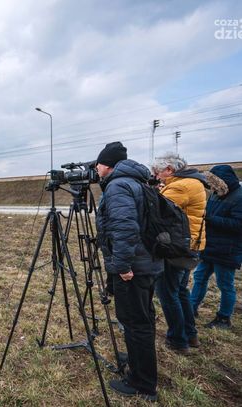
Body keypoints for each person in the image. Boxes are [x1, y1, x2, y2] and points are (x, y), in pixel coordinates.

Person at [95, 141, 162, 402]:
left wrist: (122, 266)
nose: (96, 167)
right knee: (142, 319)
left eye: (99, 163)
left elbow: (124, 228)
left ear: (108, 165)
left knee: (135, 323)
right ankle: (137, 361)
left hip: (133, 267)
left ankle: (142, 383)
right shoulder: (136, 181)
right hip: (147, 262)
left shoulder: (118, 186)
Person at [152, 154, 207, 354]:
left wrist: (153, 193)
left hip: (176, 248)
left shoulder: (180, 187)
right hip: (190, 245)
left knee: (168, 294)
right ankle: (190, 334)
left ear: (169, 169)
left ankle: (178, 340)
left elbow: (158, 212)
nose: (156, 176)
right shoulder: (192, 182)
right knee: (181, 291)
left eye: (157, 172)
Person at [190, 165, 242, 329]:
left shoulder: (239, 197)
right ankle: (191, 308)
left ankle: (224, 318)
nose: (211, 187)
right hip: (209, 246)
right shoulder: (216, 194)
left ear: (222, 181)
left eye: (214, 183)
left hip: (228, 250)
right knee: (199, 277)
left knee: (225, 284)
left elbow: (238, 225)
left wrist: (210, 219)